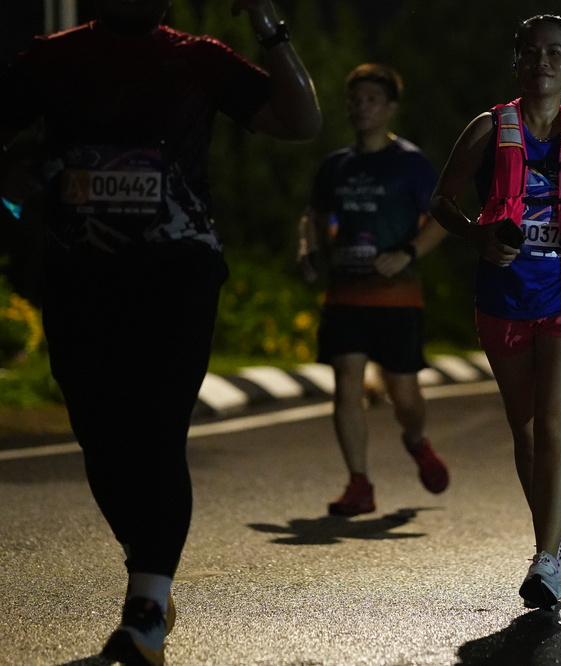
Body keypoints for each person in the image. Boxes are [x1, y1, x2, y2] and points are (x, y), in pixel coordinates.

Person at [0, 1, 321, 664]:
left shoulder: (198, 58)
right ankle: (149, 555)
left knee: (156, 432)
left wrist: (268, 26)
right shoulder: (54, 57)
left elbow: (300, 122)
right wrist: (13, 180)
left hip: (178, 275)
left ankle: (145, 608)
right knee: (100, 436)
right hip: (81, 276)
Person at [429, 14, 561, 610]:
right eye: (532, 51)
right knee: (526, 428)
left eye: (555, 53)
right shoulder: (489, 129)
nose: (543, 61)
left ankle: (545, 560)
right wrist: (476, 235)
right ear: (516, 62)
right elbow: (441, 201)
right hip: (505, 296)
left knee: (555, 425)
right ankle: (558, 540)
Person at [297, 63, 450, 517]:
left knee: (404, 395)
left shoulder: (410, 163)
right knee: (347, 381)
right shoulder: (336, 166)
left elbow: (442, 217)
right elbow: (313, 215)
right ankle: (359, 483)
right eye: (355, 99)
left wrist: (407, 253)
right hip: (345, 294)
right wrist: (308, 249)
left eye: (371, 100)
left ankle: (416, 440)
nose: (361, 107)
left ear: (390, 108)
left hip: (396, 297)